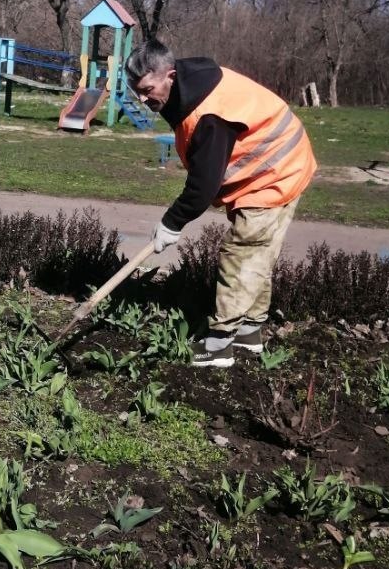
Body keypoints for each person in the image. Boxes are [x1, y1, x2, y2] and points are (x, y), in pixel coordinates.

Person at [125, 40, 317, 368]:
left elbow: (203, 185)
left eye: (147, 89)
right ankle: (249, 333)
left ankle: (219, 345)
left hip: (275, 173)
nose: (142, 99)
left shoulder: (209, 114)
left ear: (169, 75)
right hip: (276, 167)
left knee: (241, 254)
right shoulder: (185, 84)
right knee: (258, 255)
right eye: (136, 91)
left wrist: (172, 222)